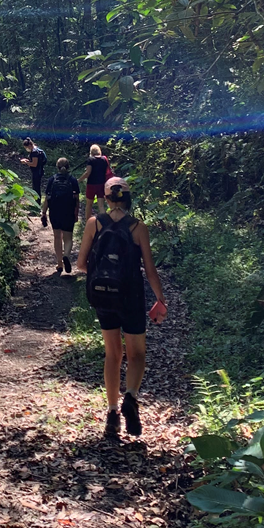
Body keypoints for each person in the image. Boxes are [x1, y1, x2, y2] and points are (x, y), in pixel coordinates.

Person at [76, 176, 168, 439]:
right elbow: (150, 270)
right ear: (128, 199)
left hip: (104, 298)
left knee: (112, 353)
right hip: (131, 297)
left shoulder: (94, 223)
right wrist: (160, 299)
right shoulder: (139, 228)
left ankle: (113, 413)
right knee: (137, 353)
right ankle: (131, 396)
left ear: (105, 198)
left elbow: (81, 263)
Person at [41, 158, 80, 274]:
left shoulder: (52, 180)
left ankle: (59, 263)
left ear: (57, 167)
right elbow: (77, 200)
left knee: (57, 237)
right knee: (68, 238)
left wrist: (44, 212)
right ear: (68, 167)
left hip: (55, 212)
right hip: (68, 212)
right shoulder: (73, 180)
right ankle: (66, 255)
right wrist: (76, 214)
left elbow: (47, 199)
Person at [79, 144, 112, 223]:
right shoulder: (104, 159)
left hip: (91, 185)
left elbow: (88, 173)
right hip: (101, 184)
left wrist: (79, 180)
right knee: (101, 205)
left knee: (89, 204)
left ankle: (88, 222)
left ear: (91, 152)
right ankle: (105, 223)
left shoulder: (91, 160)